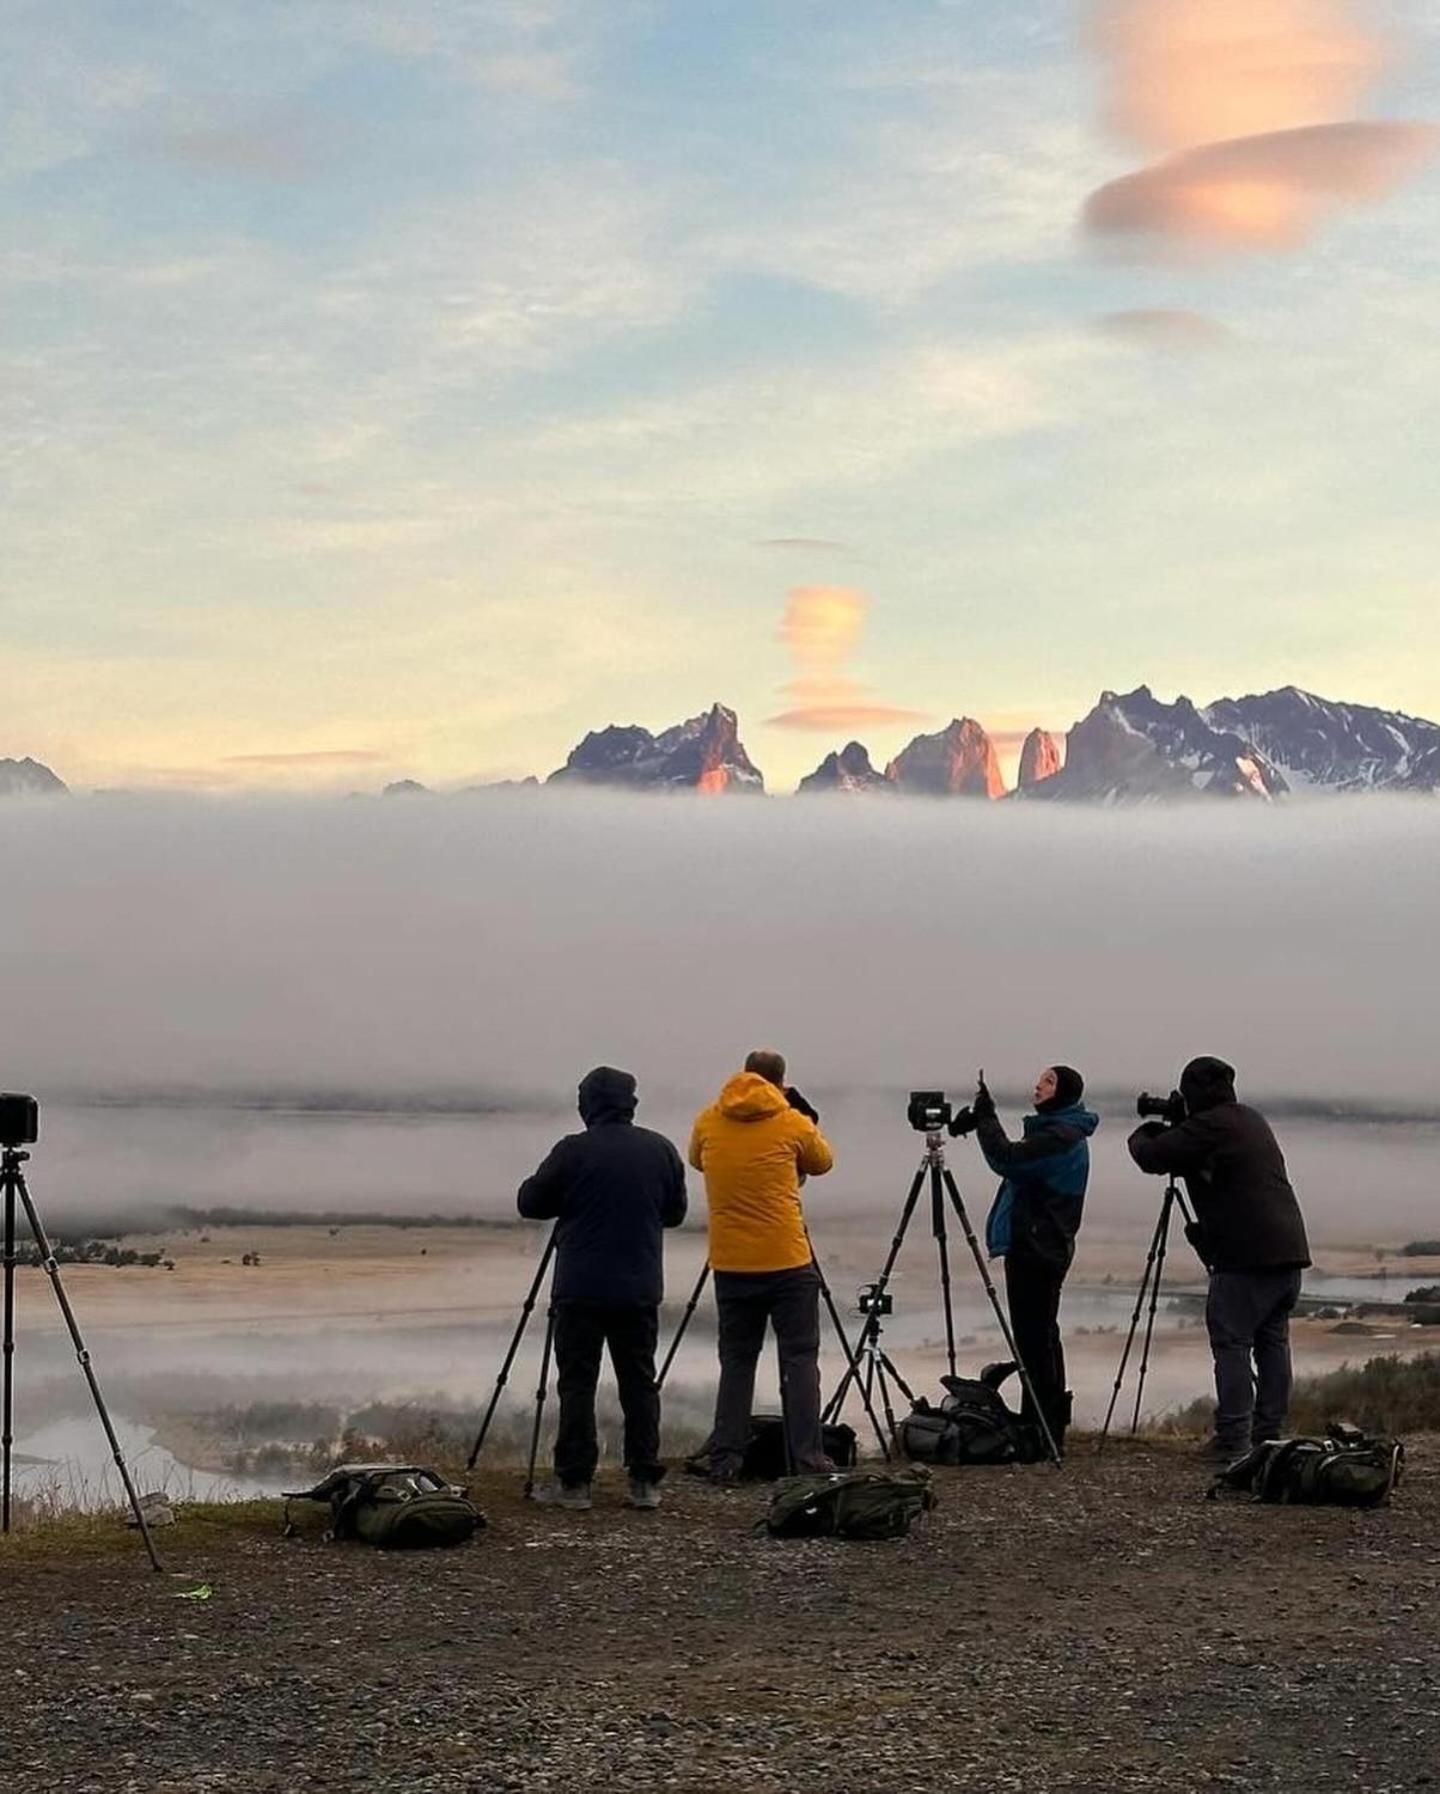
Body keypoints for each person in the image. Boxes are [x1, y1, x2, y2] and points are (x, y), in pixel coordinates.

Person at [517, 1066, 687, 1511]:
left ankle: (574, 1484)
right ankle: (645, 1482)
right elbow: (675, 1213)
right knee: (639, 1383)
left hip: (581, 1287)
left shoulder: (572, 1152)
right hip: (639, 1286)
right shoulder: (661, 1149)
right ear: (630, 1103)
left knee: (577, 1383)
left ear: (587, 1104)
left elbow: (530, 1202)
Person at [1127, 1056, 1310, 1459]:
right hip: (1289, 1251)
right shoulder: (1249, 1119)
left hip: (1245, 1258)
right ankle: (1268, 1435)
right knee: (1273, 1344)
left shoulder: (1210, 1126)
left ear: (1192, 1093)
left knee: (1232, 1343)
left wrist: (1146, 1130)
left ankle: (1233, 1441)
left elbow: (1150, 1156)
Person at [688, 1049, 835, 1482]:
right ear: (781, 1083)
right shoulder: (791, 1121)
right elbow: (822, 1162)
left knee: (736, 1361)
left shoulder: (709, 1120)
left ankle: (726, 1459)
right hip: (787, 1259)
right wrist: (801, 1113)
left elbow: (697, 1160)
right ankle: (807, 1458)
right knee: (800, 1358)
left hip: (731, 1262)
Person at [960, 1066, 1097, 1453]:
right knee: (1041, 1335)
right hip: (1045, 1246)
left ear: (1065, 1093)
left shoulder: (1060, 1137)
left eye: (1049, 1081)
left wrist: (985, 1119)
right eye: (1039, 1079)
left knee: (1033, 1338)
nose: (1038, 1085)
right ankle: (1042, 1424)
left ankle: (1041, 1431)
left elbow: (1008, 1159)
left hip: (1037, 1248)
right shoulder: (1061, 1132)